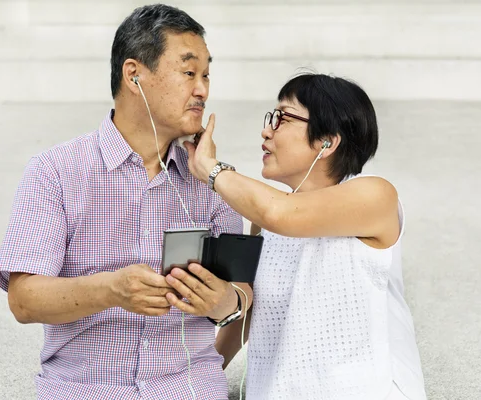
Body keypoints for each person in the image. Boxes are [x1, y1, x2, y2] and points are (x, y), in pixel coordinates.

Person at [0, 4, 251, 400]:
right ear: (134, 74)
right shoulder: (55, 171)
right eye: (188, 72)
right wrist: (111, 290)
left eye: (206, 75)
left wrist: (225, 302)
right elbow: (24, 300)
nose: (202, 89)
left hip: (189, 390)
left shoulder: (214, 181)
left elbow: (241, 294)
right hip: (83, 390)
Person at [171, 73, 427, 399]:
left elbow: (281, 214)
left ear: (327, 142)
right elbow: (245, 317)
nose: (266, 130)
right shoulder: (265, 224)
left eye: (282, 119)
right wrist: (194, 378)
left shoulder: (376, 196)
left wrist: (210, 168)